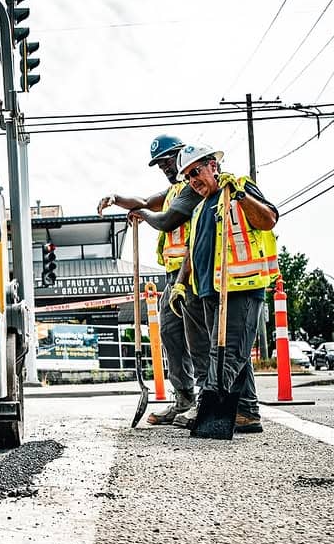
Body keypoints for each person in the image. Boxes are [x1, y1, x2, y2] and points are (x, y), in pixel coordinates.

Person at [96, 135, 208, 426]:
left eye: (167, 161)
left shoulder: (193, 187)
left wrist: (142, 215)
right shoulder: (173, 190)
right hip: (173, 276)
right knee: (170, 332)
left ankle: (207, 402)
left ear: (182, 155)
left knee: (197, 340)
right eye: (160, 164)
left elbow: (167, 220)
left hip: (192, 271)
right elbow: (146, 202)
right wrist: (117, 199)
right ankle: (184, 399)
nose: (164, 167)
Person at [171, 144, 279, 434]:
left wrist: (240, 195)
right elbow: (192, 250)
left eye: (196, 172)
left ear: (213, 166)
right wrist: (180, 283)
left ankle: (207, 410)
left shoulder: (238, 188)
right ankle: (247, 412)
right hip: (210, 289)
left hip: (241, 286)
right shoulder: (199, 208)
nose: (193, 180)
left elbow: (268, 220)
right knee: (236, 354)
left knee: (226, 355)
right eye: (187, 177)